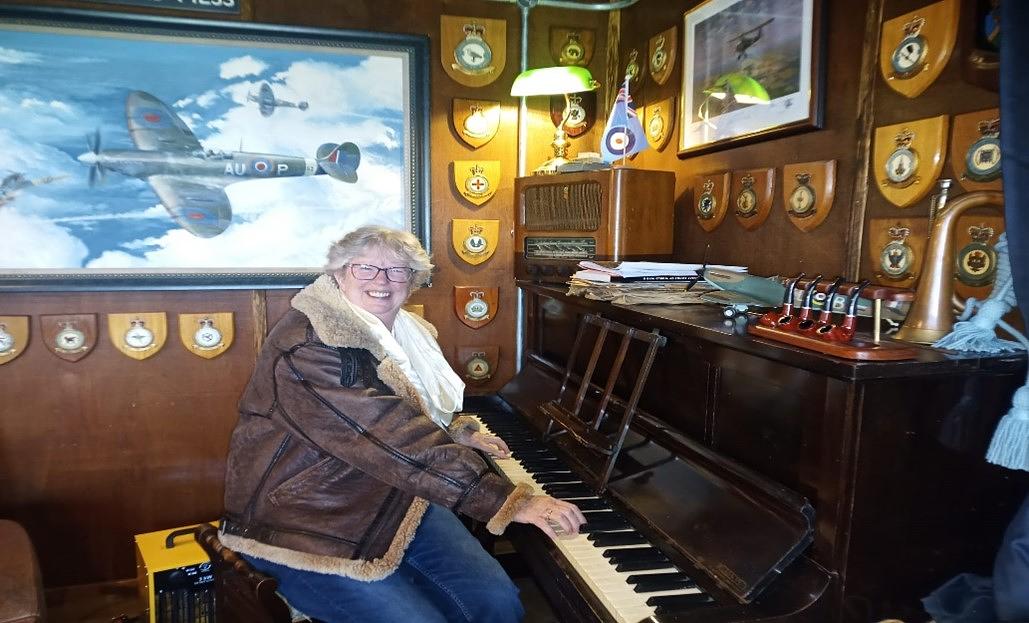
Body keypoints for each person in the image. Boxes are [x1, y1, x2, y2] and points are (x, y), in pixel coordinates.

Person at [220, 225, 585, 623]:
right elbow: (389, 435)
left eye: (397, 270)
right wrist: (508, 500)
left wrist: (458, 433)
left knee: (496, 603)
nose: (382, 281)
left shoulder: (408, 332)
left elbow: (411, 408)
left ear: (413, 281)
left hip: (396, 496)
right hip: (309, 519)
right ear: (339, 273)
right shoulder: (309, 344)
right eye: (365, 268)